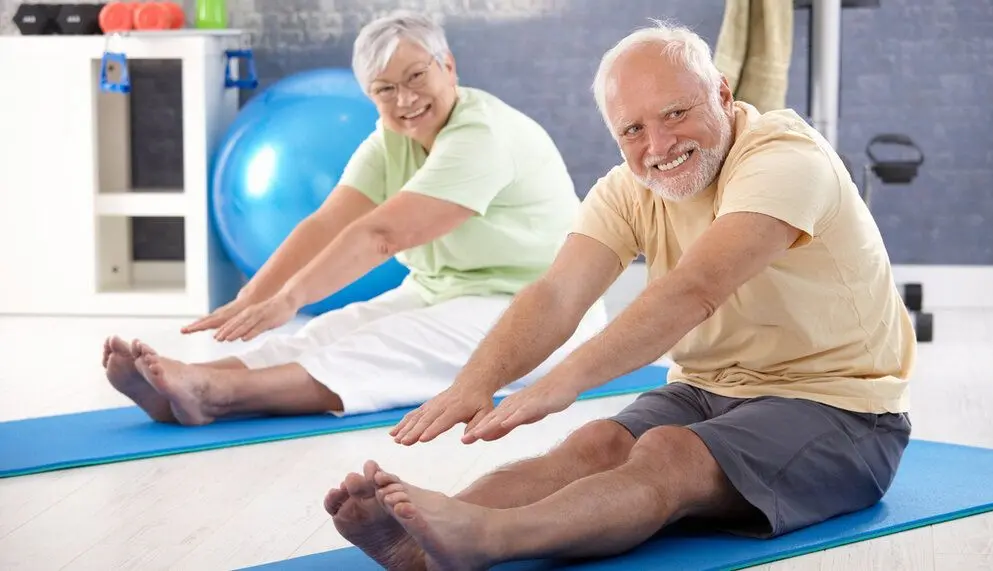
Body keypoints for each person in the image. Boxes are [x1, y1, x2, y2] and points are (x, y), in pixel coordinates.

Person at [324, 20, 916, 571]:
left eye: (676, 112)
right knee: (593, 444)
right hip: (708, 389)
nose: (658, 145)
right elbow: (558, 293)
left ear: (722, 92)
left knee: (668, 454)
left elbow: (696, 289)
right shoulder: (628, 189)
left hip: (843, 414)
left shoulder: (785, 159)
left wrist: (566, 378)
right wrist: (475, 382)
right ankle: (422, 541)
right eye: (632, 129)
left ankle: (487, 541)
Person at [101, 10, 606, 426]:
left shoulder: (481, 136)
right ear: (369, 95)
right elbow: (325, 223)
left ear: (447, 66)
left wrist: (292, 297)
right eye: (385, 90)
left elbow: (382, 235)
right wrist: (253, 297)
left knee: (388, 346)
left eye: (416, 77)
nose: (405, 100)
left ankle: (218, 394)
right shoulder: (392, 141)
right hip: (449, 292)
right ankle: (185, 381)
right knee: (332, 329)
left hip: (546, 311)